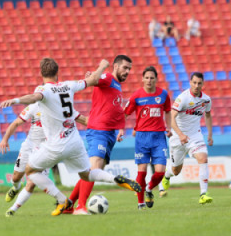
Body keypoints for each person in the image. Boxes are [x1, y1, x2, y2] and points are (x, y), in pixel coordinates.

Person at [0, 58, 141, 216]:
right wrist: (102, 65)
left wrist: (15, 100)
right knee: (86, 174)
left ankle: (62, 200)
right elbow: (93, 79)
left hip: (57, 144)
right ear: (57, 73)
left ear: (41, 73)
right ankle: (116, 179)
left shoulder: (44, 89)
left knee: (30, 170)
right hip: (75, 141)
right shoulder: (69, 85)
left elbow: (34, 98)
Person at [66, 54, 133, 215]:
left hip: (109, 134)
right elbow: (91, 81)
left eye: (129, 69)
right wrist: (102, 66)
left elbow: (115, 109)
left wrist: (121, 128)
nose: (127, 71)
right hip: (99, 130)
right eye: (125, 67)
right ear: (115, 66)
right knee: (94, 168)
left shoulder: (116, 84)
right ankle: (80, 207)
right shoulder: (108, 77)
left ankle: (68, 205)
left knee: (92, 173)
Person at [0, 102, 87, 217]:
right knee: (16, 176)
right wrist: (5, 139)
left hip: (45, 150)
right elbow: (16, 123)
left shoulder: (59, 109)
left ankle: (13, 209)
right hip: (29, 145)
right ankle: (16, 188)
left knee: (31, 183)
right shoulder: (34, 107)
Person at [161, 72, 214, 204]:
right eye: (194, 83)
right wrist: (180, 134)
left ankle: (203, 194)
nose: (196, 86)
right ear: (190, 82)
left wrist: (210, 134)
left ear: (203, 84)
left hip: (195, 136)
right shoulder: (183, 98)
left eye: (199, 83)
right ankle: (166, 176)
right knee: (175, 171)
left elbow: (208, 115)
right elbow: (171, 118)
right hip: (177, 138)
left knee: (203, 158)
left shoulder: (206, 100)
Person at [124, 66, 171, 209]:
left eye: (152, 78)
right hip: (142, 137)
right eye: (147, 77)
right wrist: (120, 130)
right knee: (142, 171)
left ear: (156, 79)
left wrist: (168, 127)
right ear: (142, 79)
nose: (149, 80)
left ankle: (149, 189)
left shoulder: (163, 94)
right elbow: (125, 114)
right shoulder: (136, 96)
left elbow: (168, 111)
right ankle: (140, 203)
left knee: (160, 171)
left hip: (159, 137)